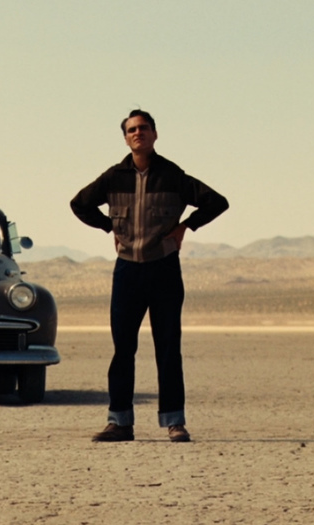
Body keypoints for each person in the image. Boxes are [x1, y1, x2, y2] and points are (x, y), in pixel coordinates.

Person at [69, 109, 228, 443]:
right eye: (131, 130)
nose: (137, 134)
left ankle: (174, 421)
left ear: (155, 134)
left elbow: (217, 202)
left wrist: (186, 226)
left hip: (164, 269)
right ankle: (120, 422)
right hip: (127, 270)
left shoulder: (173, 176)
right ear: (125, 138)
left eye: (143, 128)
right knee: (123, 349)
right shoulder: (114, 177)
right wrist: (108, 225)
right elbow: (80, 204)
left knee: (168, 348)